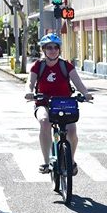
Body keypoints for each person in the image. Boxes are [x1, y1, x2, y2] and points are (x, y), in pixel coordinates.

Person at [24, 33, 94, 174]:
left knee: (72, 131)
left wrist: (86, 94)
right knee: (44, 122)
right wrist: (29, 92)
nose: (53, 50)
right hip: (43, 103)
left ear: (59, 50)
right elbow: (30, 82)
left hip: (64, 103)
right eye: (49, 47)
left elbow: (78, 83)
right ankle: (45, 162)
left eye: (56, 47)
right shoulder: (38, 66)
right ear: (43, 50)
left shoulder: (65, 66)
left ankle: (71, 161)